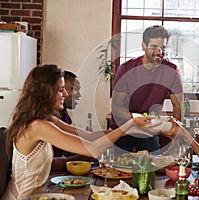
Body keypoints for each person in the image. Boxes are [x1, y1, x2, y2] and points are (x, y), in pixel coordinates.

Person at [3, 64, 161, 200]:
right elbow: (93, 149)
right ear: (45, 92)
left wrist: (130, 128)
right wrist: (128, 125)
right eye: (61, 90)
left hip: (41, 194)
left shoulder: (47, 119)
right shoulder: (37, 126)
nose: (65, 94)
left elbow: (91, 136)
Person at [110, 25, 183, 154]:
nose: (159, 52)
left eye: (163, 47)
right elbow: (116, 106)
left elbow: (178, 106)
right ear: (143, 46)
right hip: (123, 127)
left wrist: (176, 137)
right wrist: (136, 119)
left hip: (150, 130)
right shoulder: (126, 69)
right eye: (154, 46)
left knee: (153, 168)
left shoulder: (171, 71)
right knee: (118, 170)